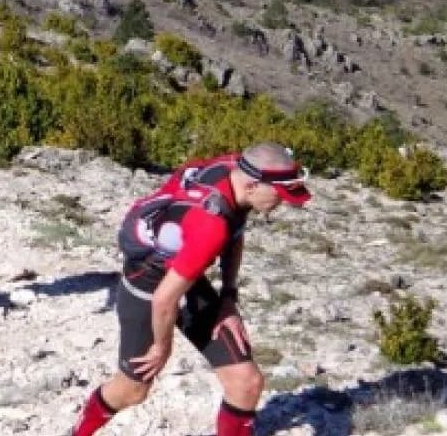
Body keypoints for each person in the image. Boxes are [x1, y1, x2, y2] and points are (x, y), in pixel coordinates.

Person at [69, 143, 313, 436]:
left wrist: (228, 298)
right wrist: (162, 347)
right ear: (251, 185)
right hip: (147, 285)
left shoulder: (235, 171)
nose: (282, 203)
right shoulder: (210, 225)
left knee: (246, 382)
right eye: (279, 195)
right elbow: (164, 298)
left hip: (184, 275)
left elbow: (236, 228)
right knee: (133, 390)